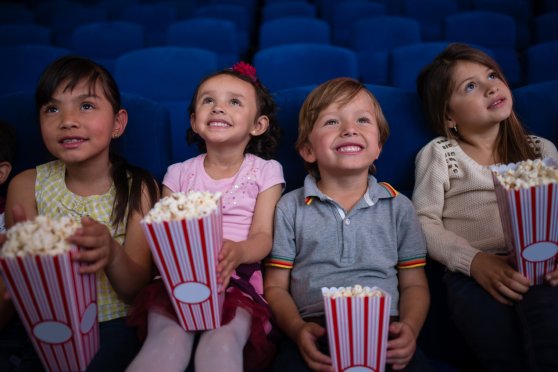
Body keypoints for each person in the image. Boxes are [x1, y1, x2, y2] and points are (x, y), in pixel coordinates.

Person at [265, 77, 432, 372]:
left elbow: (415, 283)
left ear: (378, 146)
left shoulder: (399, 207)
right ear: (307, 150)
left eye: (363, 120)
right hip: (316, 329)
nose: (349, 129)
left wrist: (410, 329)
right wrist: (296, 330)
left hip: (386, 328)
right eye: (331, 122)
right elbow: (276, 287)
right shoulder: (289, 207)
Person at [4, 56, 160, 371]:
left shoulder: (139, 188)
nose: (68, 120)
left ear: (118, 123)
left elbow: (135, 291)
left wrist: (111, 253)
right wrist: (22, 265)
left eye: (86, 106)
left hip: (114, 324)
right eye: (52, 109)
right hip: (45, 324)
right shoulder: (26, 184)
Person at [126, 62, 284, 372]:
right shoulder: (178, 173)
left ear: (258, 125)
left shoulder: (266, 171)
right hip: (178, 276)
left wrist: (238, 251)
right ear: (195, 121)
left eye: (234, 102)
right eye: (208, 100)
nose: (218, 108)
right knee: (167, 341)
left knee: (223, 341)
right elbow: (164, 231)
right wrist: (186, 264)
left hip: (237, 278)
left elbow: (264, 236)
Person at [413, 43, 558, 372]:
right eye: (471, 86)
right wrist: (474, 262)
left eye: (492, 75)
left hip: (543, 264)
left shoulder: (540, 149)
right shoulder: (440, 155)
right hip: (474, 273)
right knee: (500, 351)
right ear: (448, 115)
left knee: (549, 341)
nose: (492, 86)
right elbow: (423, 222)